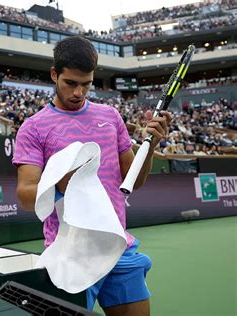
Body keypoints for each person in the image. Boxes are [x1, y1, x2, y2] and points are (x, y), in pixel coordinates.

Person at [12, 36, 172, 316]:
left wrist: (152, 146)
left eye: (86, 84)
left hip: (119, 248)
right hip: (69, 256)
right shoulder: (33, 128)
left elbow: (132, 182)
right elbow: (26, 195)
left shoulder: (111, 117)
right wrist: (60, 182)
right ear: (54, 74)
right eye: (70, 83)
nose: (78, 93)